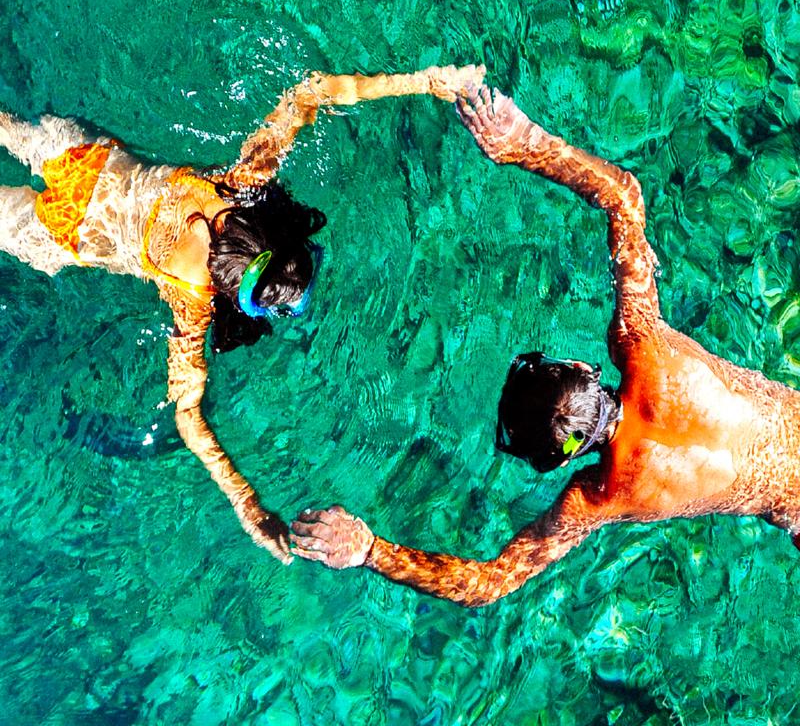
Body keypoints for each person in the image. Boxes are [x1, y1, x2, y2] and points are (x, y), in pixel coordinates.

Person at [291, 84, 800, 605]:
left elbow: (489, 583)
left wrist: (369, 549)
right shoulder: (643, 343)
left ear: (558, 463)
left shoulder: (598, 498)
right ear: (581, 366)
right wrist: (524, 142)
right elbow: (624, 195)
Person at [0, 64, 485, 564]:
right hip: (61, 233)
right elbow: (187, 414)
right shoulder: (191, 296)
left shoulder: (237, 186)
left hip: (86, 161)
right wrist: (246, 503)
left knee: (8, 127)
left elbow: (308, 93)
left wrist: (428, 80)